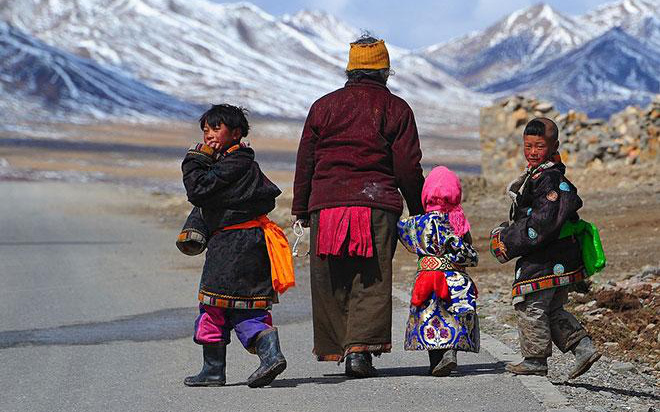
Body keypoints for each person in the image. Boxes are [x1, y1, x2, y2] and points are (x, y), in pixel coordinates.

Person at [291, 35, 425, 378]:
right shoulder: (396, 109)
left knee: (332, 278)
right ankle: (360, 353)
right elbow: (408, 166)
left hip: (327, 204)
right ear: (385, 70)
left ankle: (340, 347)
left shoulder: (323, 106)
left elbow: (306, 160)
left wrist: (301, 209)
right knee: (372, 278)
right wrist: (419, 208)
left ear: (350, 68)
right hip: (377, 204)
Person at [178, 104, 294, 387]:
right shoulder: (243, 164)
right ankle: (268, 355)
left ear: (237, 133)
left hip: (231, 246)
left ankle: (215, 370)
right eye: (205, 130)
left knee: (214, 306)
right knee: (246, 306)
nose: (208, 136)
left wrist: (194, 159)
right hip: (251, 244)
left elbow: (198, 191)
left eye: (216, 128)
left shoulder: (232, 165)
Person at [489, 118, 601, 378]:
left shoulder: (549, 179)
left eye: (539, 146)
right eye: (528, 146)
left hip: (545, 258)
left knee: (530, 305)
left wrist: (508, 239)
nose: (532, 152)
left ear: (554, 146)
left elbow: (542, 223)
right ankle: (583, 348)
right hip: (557, 257)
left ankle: (535, 360)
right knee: (551, 309)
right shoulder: (542, 176)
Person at [397, 166, 479, 376]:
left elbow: (403, 234)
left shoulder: (416, 223)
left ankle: (436, 361)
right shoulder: (457, 221)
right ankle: (450, 353)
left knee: (430, 316)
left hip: (426, 278)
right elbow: (466, 253)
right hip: (454, 278)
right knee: (451, 316)